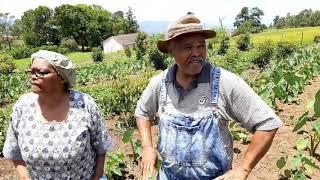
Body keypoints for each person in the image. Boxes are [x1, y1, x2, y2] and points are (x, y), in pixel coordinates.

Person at [135, 13, 282, 180]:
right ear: (171, 50)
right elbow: (143, 112)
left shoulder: (224, 83)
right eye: (188, 47)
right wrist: (147, 147)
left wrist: (243, 169)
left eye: (201, 46)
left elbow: (268, 122)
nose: (197, 53)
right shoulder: (159, 84)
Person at [3, 50, 112, 180]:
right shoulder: (23, 106)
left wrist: (96, 177)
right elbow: (14, 152)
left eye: (42, 72)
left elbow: (101, 149)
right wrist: (24, 177)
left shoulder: (84, 104)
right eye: (32, 72)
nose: (33, 77)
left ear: (62, 78)